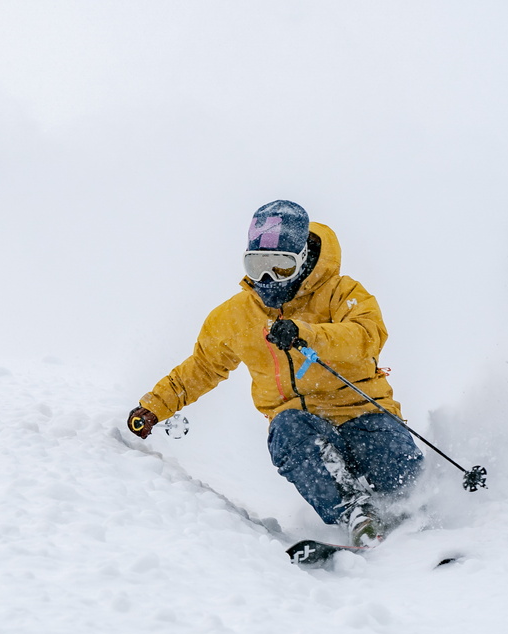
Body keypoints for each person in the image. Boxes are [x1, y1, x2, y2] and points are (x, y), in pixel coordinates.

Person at [126, 200, 423, 546]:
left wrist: (307, 333)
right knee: (286, 429)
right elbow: (202, 367)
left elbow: (367, 336)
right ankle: (356, 513)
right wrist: (155, 406)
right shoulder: (235, 316)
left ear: (303, 259)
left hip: (364, 413)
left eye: (281, 266)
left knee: (403, 483)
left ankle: (423, 519)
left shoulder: (342, 294)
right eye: (257, 266)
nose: (268, 278)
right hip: (301, 426)